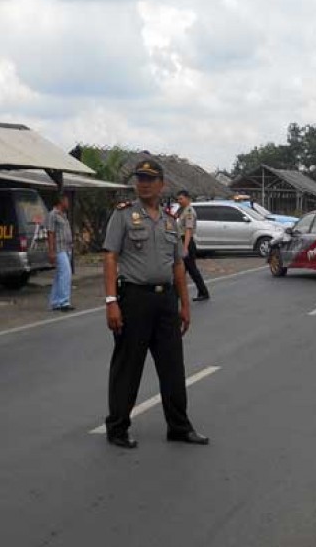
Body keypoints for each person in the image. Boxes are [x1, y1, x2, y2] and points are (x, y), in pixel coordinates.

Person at [102, 160, 208, 449]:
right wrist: (111, 301)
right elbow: (110, 257)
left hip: (165, 302)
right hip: (134, 299)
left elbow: (178, 265)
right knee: (128, 366)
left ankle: (179, 427)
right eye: (140, 179)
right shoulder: (123, 216)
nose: (144, 183)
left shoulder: (170, 222)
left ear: (162, 184)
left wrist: (184, 305)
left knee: (173, 366)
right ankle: (117, 428)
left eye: (150, 179)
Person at [175, 190, 210, 301]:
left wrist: (185, 248)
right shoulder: (181, 210)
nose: (179, 201)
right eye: (178, 199)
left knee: (192, 270)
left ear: (187, 198)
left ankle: (203, 292)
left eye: (181, 198)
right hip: (181, 241)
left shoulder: (189, 211)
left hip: (187, 241)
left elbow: (188, 231)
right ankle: (177, 293)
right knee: (181, 269)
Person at [46, 194, 74, 312]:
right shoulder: (53, 215)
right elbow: (51, 233)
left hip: (67, 247)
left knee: (59, 276)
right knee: (66, 274)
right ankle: (64, 301)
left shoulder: (64, 215)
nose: (68, 203)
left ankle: (55, 301)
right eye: (66, 200)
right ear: (61, 201)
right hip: (59, 248)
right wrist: (51, 251)